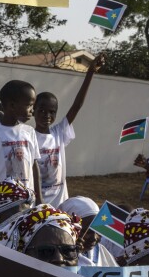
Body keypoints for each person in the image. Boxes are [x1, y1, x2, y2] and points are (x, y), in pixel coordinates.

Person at [33, 54, 104, 205]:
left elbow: (77, 106)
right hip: (37, 203)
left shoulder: (58, 132)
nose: (47, 115)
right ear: (33, 110)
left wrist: (90, 72)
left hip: (60, 202)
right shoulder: (29, 137)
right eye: (42, 110)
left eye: (52, 112)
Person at [0, 80, 40, 199]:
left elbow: (34, 166)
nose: (32, 110)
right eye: (29, 105)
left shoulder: (30, 132)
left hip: (27, 200)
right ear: (12, 105)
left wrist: (39, 199)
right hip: (1, 201)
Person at [60, 196, 119, 267]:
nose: (94, 238)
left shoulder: (100, 251)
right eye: (86, 231)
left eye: (98, 231)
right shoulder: (55, 253)